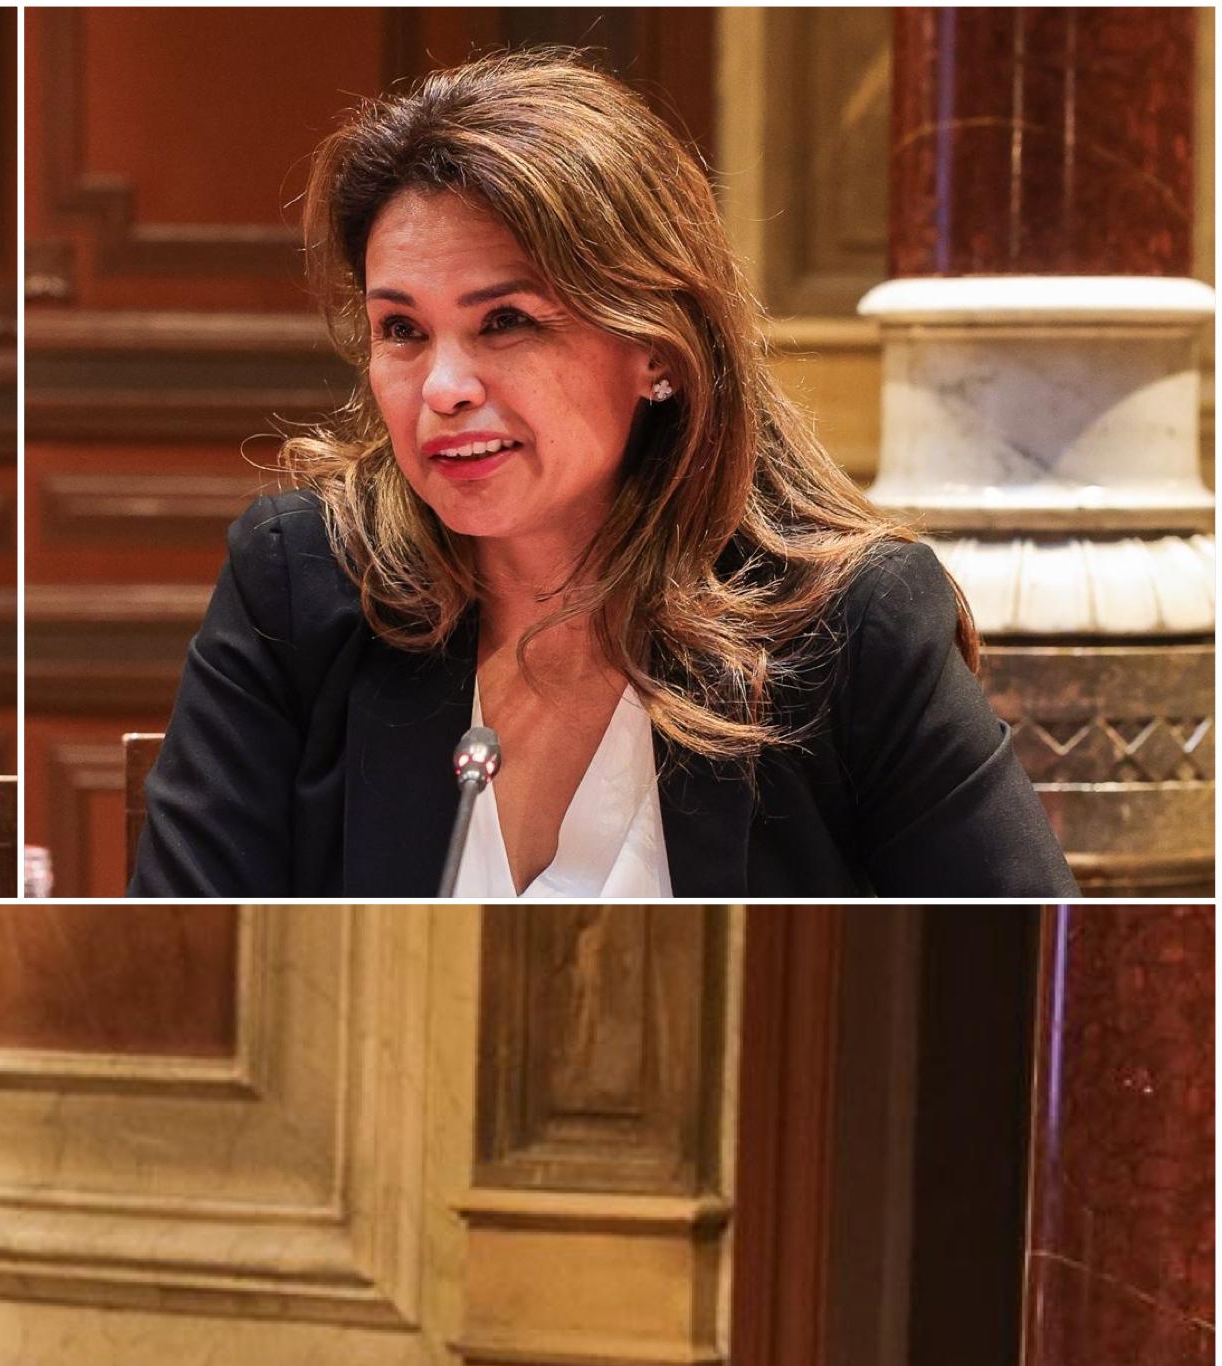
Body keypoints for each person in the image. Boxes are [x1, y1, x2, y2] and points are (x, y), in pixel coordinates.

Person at [130, 51, 1072, 896]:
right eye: (402, 330)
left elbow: (1014, 958)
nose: (443, 389)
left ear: (655, 348)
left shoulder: (847, 628)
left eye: (506, 321)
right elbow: (184, 943)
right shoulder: (302, 585)